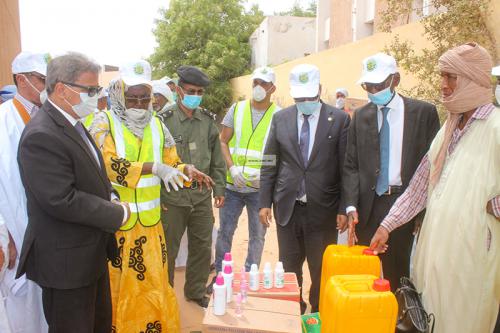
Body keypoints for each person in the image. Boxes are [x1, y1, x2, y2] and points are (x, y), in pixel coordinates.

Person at [370, 42, 499, 333]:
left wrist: (491, 205)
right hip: (434, 258)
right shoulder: (450, 126)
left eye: (450, 77)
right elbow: (418, 187)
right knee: (429, 321)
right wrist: (387, 225)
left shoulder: (495, 127)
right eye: (441, 76)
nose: (442, 85)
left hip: (470, 262)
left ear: (471, 78)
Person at [16, 52, 129, 332]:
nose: (96, 95)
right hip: (66, 264)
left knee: (98, 324)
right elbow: (61, 199)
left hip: (88, 255)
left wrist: (111, 194)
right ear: (62, 89)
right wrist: (116, 212)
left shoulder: (74, 123)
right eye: (90, 90)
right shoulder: (42, 134)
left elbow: (91, 175)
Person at [342, 52, 440, 290]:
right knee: (366, 274)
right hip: (367, 206)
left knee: (398, 274)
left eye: (379, 84)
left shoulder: (423, 114)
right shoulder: (361, 116)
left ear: (395, 80)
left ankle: (398, 323)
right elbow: (351, 165)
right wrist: (351, 205)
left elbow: (434, 166)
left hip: (403, 203)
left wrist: (422, 213)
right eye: (368, 85)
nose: (373, 90)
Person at [259, 64, 350, 314]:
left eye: (310, 97)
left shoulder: (339, 119)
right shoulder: (281, 118)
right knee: (288, 265)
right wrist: (265, 201)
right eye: (300, 98)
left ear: (319, 90)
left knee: (321, 268)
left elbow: (346, 167)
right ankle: (292, 309)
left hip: (323, 210)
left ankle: (318, 311)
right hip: (288, 207)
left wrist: (344, 206)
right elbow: (269, 161)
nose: (305, 102)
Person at [157, 65, 226, 308]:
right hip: (172, 198)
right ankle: (164, 295)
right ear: (177, 90)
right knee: (169, 250)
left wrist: (219, 189)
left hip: (200, 196)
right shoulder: (162, 120)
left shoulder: (207, 121)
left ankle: (195, 291)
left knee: (202, 246)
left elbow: (217, 158)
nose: (195, 95)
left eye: (199, 91)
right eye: (191, 90)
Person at [214, 66, 280, 277]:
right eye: (256, 83)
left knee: (257, 237)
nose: (259, 87)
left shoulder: (279, 116)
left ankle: (249, 279)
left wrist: (264, 175)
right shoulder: (237, 109)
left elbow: (281, 153)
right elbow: (223, 141)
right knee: (225, 233)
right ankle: (221, 277)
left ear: (273, 88)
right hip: (232, 186)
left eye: (264, 84)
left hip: (260, 192)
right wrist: (232, 169)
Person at [0, 51, 49, 333]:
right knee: (20, 308)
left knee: (44, 307)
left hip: (45, 228)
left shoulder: (48, 117)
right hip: (16, 231)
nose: (46, 86)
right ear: (21, 80)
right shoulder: (4, 120)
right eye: (41, 80)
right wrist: (4, 234)